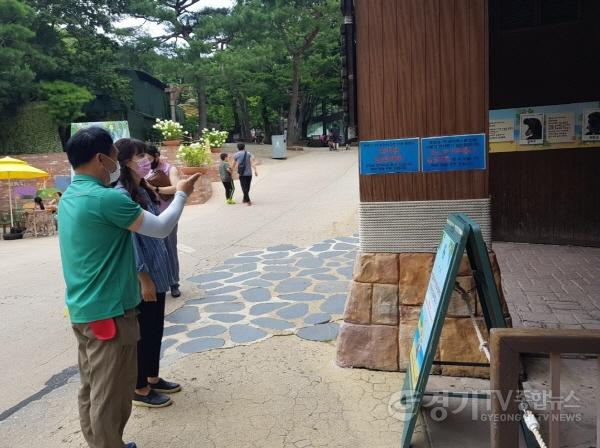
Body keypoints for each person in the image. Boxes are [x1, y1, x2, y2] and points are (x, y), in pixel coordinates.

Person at [57, 127, 199, 448]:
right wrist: (182, 194)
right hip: (110, 310)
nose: (118, 163)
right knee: (111, 391)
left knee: (92, 386)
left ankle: (102, 443)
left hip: (84, 309)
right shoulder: (105, 198)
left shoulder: (70, 196)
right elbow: (161, 228)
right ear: (101, 159)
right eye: (114, 157)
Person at [114, 138, 180, 409]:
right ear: (125, 161)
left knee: (155, 329)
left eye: (146, 155)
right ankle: (139, 389)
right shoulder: (120, 194)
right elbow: (130, 242)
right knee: (144, 333)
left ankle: (152, 377)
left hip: (159, 269)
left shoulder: (142, 188)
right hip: (145, 276)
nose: (146, 160)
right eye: (139, 155)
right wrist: (143, 278)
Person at [144, 145, 182, 298]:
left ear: (157, 156)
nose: (146, 162)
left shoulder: (169, 169)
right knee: (153, 250)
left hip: (167, 215)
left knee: (169, 248)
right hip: (149, 215)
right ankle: (159, 283)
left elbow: (176, 188)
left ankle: (174, 283)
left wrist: (155, 189)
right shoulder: (143, 171)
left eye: (149, 158)